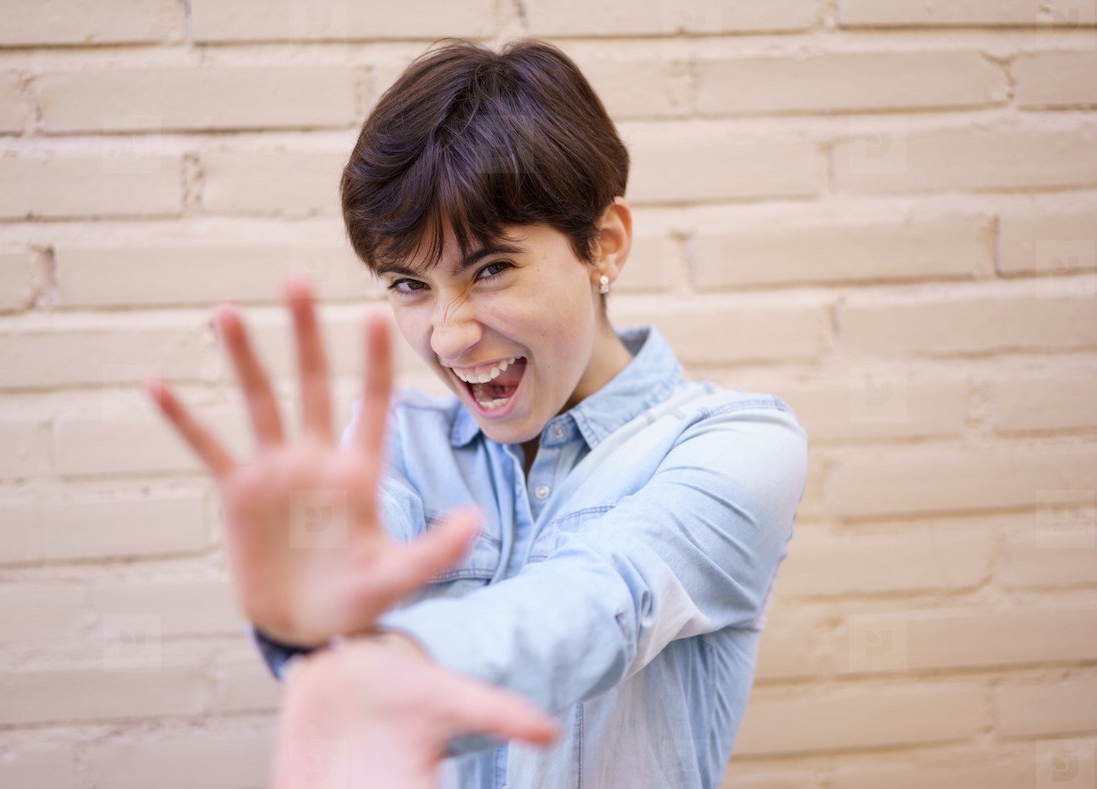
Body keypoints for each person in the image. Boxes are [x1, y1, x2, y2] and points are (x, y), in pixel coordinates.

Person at [148, 38, 809, 789]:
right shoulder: (391, 441)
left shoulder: (740, 445)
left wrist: (402, 663)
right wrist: (307, 623)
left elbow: (600, 601)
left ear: (606, 244)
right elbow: (335, 616)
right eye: (408, 285)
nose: (449, 334)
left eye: (490, 269)